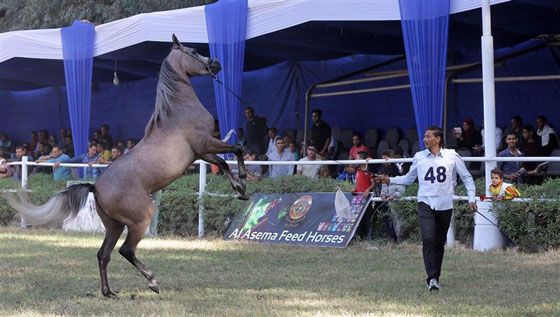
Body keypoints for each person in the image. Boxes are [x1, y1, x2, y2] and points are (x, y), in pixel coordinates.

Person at [375, 126, 476, 291]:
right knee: (428, 239)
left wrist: (471, 198)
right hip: (425, 202)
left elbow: (466, 177)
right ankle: (432, 278)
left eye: (428, 136)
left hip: (445, 204)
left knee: (439, 243)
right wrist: (389, 180)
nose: (424, 139)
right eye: (424, 136)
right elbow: (409, 179)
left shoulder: (452, 156)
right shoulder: (419, 157)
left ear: (437, 139)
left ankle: (436, 276)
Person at [378, 149, 406, 243]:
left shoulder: (399, 179)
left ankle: (401, 240)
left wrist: (394, 195)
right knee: (388, 220)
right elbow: (383, 188)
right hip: (387, 203)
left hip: (396, 203)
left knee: (398, 222)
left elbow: (402, 192)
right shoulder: (385, 179)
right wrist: (382, 195)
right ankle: (393, 239)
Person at [352, 151, 376, 241]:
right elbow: (357, 183)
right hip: (358, 197)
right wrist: (354, 189)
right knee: (358, 218)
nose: (355, 160)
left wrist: (368, 190)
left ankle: (369, 237)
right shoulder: (357, 170)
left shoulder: (369, 170)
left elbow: (373, 183)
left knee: (367, 218)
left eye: (357, 158)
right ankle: (358, 237)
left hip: (367, 198)